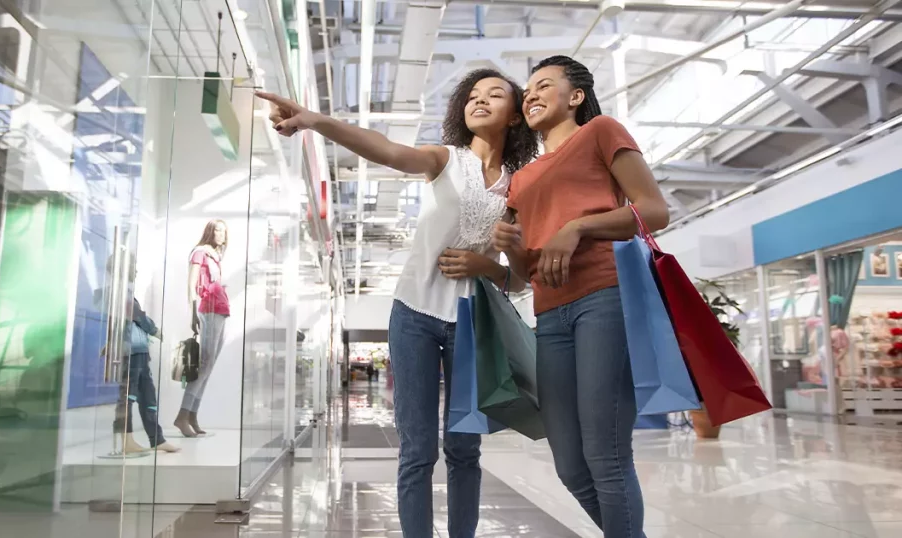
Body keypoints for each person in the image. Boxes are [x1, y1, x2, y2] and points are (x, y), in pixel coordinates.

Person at [258, 68, 537, 538]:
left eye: (495, 95)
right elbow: (385, 150)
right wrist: (314, 121)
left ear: (515, 117)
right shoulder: (445, 159)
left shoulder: (520, 188)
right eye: (472, 95)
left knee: (465, 448)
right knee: (418, 448)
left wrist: (484, 265)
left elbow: (523, 277)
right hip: (414, 317)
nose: (480, 100)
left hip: (474, 324)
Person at [492, 55, 670, 538]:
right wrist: (513, 252)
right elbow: (526, 277)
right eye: (526, 89)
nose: (529, 94)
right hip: (550, 317)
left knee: (606, 456)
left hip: (605, 298)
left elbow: (655, 211)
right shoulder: (522, 179)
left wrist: (578, 227)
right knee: (571, 465)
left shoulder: (601, 132)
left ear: (575, 97)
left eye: (543, 85)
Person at [99, 254, 179, 454]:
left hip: (138, 350)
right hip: (132, 351)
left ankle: (156, 439)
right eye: (133, 266)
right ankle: (127, 441)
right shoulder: (120, 292)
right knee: (128, 396)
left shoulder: (122, 291)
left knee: (147, 396)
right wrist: (154, 330)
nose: (136, 270)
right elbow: (135, 315)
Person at [174, 220, 231, 438]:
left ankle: (192, 414)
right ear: (209, 232)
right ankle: (182, 415)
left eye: (223, 231)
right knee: (204, 365)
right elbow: (191, 284)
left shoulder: (216, 257)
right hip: (208, 310)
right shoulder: (200, 253)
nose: (221, 234)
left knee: (208, 368)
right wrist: (192, 314)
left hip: (221, 310)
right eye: (217, 230)